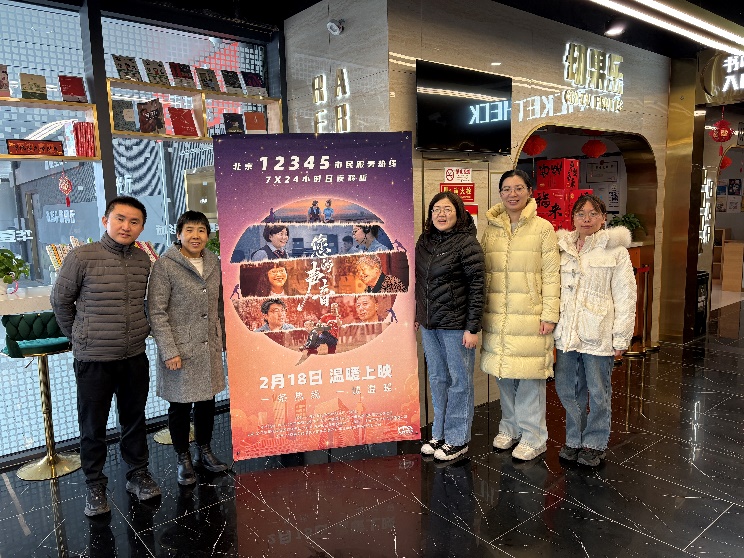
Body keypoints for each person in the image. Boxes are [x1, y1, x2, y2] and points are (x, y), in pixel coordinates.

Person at [51, 195, 160, 517]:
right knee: (92, 425)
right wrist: (79, 337)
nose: (126, 226)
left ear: (141, 227)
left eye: (134, 221)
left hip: (133, 355)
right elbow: (60, 301)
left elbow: (147, 303)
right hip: (94, 359)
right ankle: (95, 484)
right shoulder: (81, 256)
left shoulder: (142, 260)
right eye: (120, 219)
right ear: (105, 220)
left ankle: (137, 473)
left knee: (134, 419)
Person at [480, 169, 560, 462]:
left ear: (529, 191)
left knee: (529, 379)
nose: (512, 194)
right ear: (500, 194)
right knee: (504, 375)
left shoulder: (543, 228)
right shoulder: (491, 229)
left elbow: (551, 275)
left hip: (530, 315)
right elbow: (484, 274)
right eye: (506, 189)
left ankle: (534, 437)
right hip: (498, 316)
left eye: (518, 188)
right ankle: (510, 427)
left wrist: (549, 314)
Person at [147, 211, 229, 487]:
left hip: (208, 345)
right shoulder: (165, 265)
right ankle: (183, 457)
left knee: (207, 402)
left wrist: (222, 340)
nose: (196, 236)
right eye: (190, 230)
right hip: (180, 348)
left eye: (201, 230)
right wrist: (169, 350)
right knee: (179, 405)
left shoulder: (213, 262)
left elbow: (219, 304)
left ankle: (204, 451)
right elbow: (156, 312)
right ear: (179, 234)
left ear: (208, 235)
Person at [554, 195, 636, 467]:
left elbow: (626, 296)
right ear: (573, 218)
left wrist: (621, 336)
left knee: (599, 392)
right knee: (568, 389)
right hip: (567, 332)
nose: (586, 219)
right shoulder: (561, 247)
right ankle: (574, 438)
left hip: (599, 332)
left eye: (593, 214)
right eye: (581, 214)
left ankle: (594, 442)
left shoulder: (616, 252)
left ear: (603, 218)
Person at [415, 191, 484, 462]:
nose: (441, 214)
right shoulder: (425, 241)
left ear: (459, 213)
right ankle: (440, 433)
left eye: (447, 209)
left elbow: (477, 287)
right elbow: (420, 281)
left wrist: (472, 328)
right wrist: (419, 313)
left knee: (459, 382)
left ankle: (458, 439)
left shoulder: (467, 243)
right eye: (436, 210)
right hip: (430, 325)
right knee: (437, 379)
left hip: (457, 326)